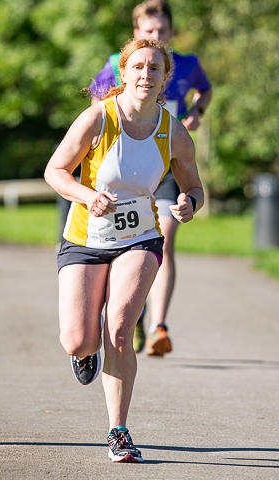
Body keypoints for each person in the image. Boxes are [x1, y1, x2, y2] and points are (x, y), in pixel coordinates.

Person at [44, 37, 204, 463]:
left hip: (141, 239)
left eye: (155, 69)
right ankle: (86, 350)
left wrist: (190, 203)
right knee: (78, 339)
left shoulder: (174, 132)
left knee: (119, 327)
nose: (145, 75)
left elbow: (193, 186)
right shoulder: (98, 118)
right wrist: (85, 194)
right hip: (85, 239)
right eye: (138, 67)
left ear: (165, 77)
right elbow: (55, 171)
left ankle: (118, 431)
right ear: (124, 73)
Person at [89, 0, 212, 356]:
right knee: (123, 241)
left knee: (165, 237)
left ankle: (159, 326)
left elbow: (205, 89)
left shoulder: (186, 65)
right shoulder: (117, 64)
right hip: (126, 167)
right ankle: (128, 315)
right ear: (136, 34)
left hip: (168, 163)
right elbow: (95, 106)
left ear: (172, 33)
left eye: (162, 31)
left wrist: (196, 113)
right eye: (149, 31)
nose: (156, 36)